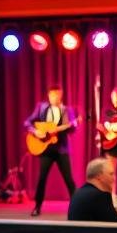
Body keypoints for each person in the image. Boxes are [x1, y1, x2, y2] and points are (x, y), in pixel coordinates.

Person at [24, 85, 79, 217]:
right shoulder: (41, 107)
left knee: (69, 179)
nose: (53, 98)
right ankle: (37, 206)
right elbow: (27, 122)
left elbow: (72, 129)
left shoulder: (66, 110)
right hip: (45, 149)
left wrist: (72, 125)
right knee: (42, 178)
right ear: (48, 96)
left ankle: (78, 207)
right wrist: (36, 131)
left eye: (56, 95)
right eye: (51, 95)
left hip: (61, 149)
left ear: (61, 96)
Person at [67, 158, 117, 223]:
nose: (114, 179)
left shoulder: (78, 193)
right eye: (111, 174)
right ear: (99, 176)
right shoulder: (100, 196)